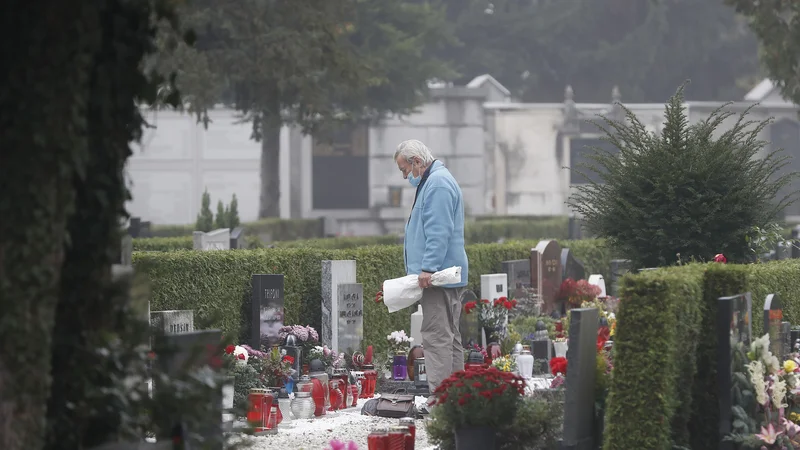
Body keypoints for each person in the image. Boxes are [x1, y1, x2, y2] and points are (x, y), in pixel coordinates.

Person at [394, 139, 469, 404]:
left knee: (437, 338)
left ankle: (442, 403)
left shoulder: (436, 183)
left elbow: (439, 231)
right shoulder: (436, 180)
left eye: (405, 169)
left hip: (438, 277)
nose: (405, 176)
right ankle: (456, 399)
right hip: (445, 275)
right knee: (450, 338)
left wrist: (427, 268)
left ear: (416, 162)